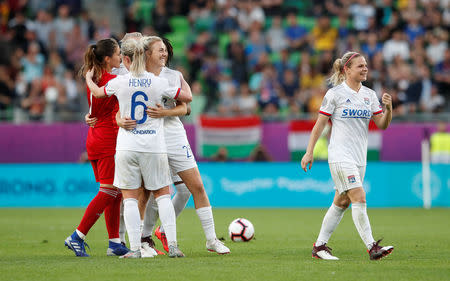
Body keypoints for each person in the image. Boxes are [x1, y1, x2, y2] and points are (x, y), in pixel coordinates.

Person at [117, 36, 230, 255]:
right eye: (160, 50)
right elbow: (119, 107)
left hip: (174, 135)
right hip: (149, 138)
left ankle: (211, 240)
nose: (165, 54)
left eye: (165, 51)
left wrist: (165, 112)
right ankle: (143, 240)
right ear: (147, 53)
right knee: (146, 193)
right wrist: (119, 120)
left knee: (195, 186)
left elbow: (186, 107)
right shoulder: (137, 77)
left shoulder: (173, 75)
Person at [85, 38, 192, 258]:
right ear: (144, 58)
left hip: (127, 147)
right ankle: (172, 246)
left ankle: (134, 249)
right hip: (154, 146)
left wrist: (88, 78)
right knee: (163, 195)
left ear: (126, 59)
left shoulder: (119, 82)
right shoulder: (158, 82)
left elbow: (97, 93)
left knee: (131, 198)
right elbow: (186, 98)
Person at [301, 52, 394, 261]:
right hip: (340, 156)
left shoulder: (369, 95)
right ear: (347, 70)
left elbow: (382, 125)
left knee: (342, 202)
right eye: (360, 66)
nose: (365, 68)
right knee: (359, 196)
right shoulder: (335, 94)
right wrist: (309, 151)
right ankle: (372, 247)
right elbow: (319, 126)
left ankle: (319, 247)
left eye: (366, 65)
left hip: (359, 158)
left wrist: (388, 109)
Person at [64, 38, 129, 257]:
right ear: (108, 58)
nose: (121, 57)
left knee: (114, 191)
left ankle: (115, 242)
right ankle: (77, 236)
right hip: (108, 139)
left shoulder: (95, 78)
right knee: (109, 191)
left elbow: (96, 105)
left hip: (95, 137)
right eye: (118, 53)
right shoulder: (112, 80)